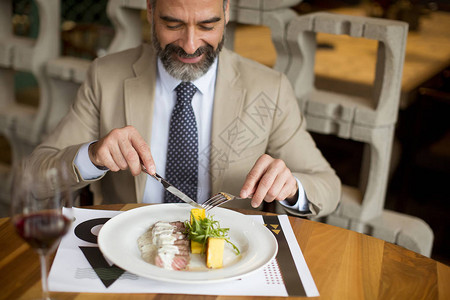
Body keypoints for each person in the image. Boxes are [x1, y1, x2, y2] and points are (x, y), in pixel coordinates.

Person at [28, 0, 341, 217]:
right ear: (150, 11)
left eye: (208, 25)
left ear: (227, 11)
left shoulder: (269, 88)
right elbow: (35, 175)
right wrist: (93, 155)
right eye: (173, 24)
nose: (190, 45)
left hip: (224, 257)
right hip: (128, 249)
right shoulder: (105, 76)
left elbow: (327, 187)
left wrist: (291, 187)